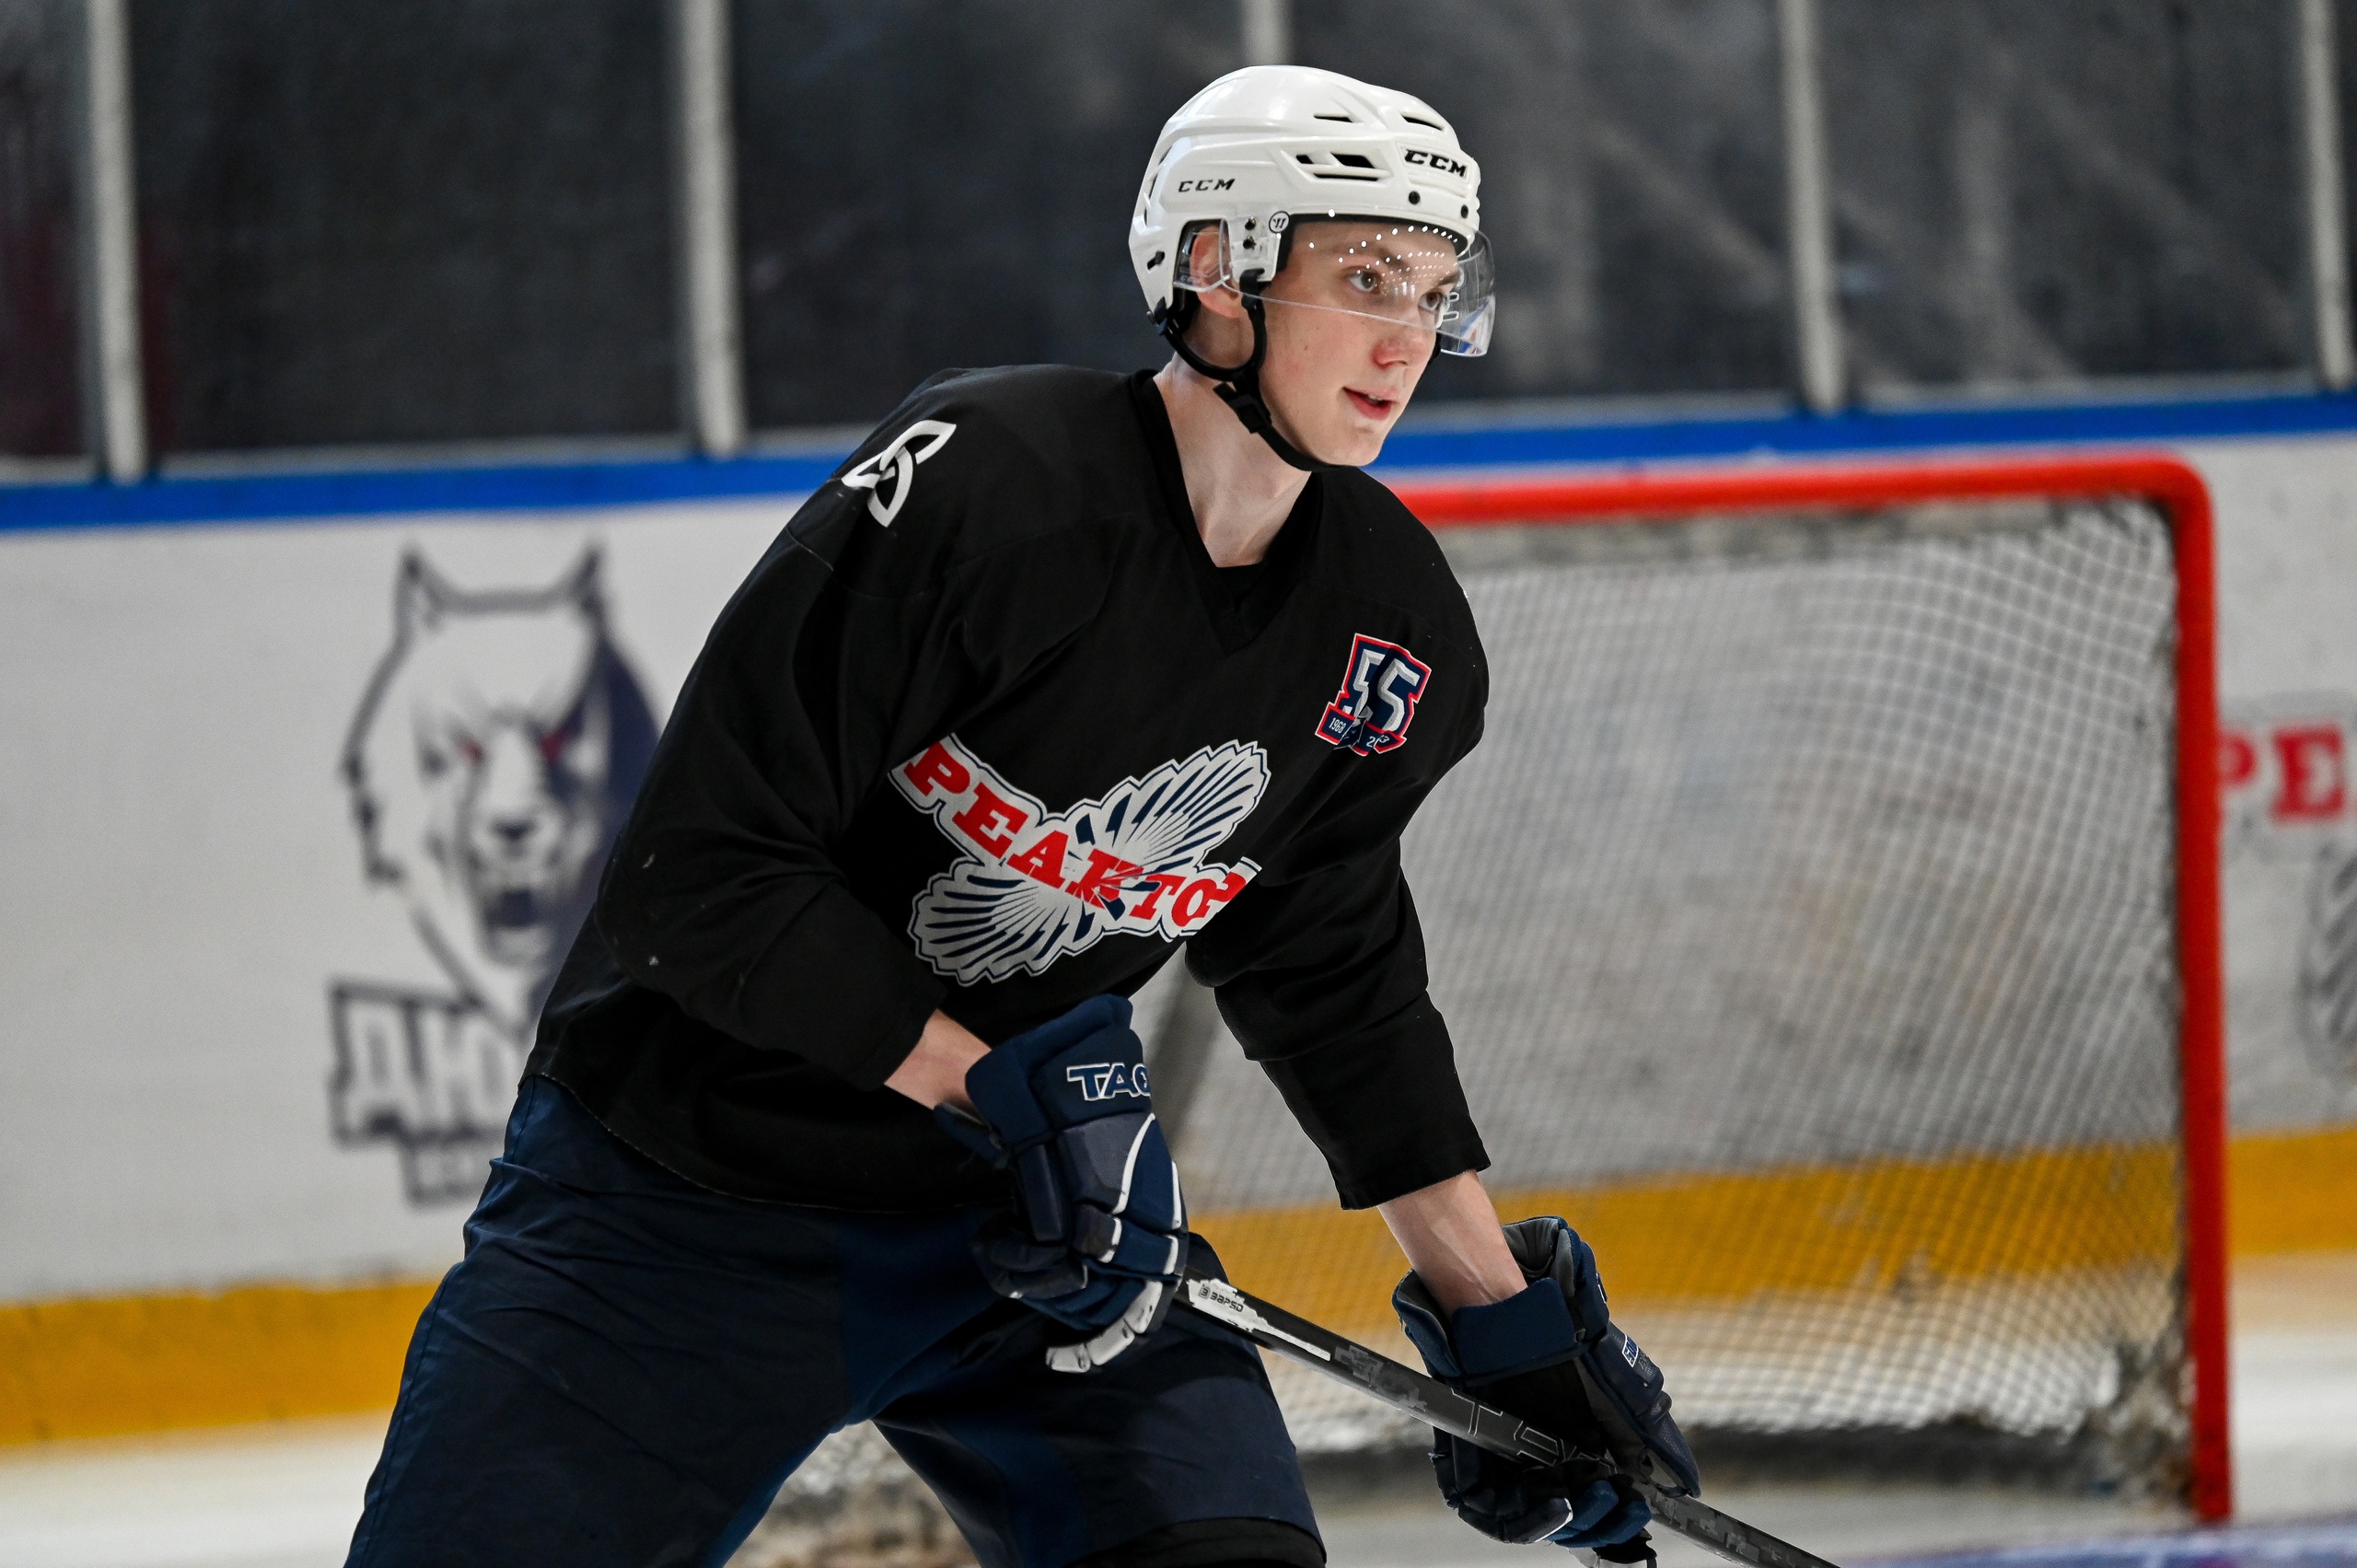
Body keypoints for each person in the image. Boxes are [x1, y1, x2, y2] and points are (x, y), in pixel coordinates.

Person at [344, 64, 1695, 1568]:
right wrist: (1000, 1091)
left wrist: (1490, 1310)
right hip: (675, 1204)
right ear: (1216, 270)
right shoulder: (991, 486)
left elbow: (1328, 967)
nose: (1407, 340)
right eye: (1365, 278)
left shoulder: (1390, 629)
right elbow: (697, 875)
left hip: (1027, 1240)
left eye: (1436, 293)